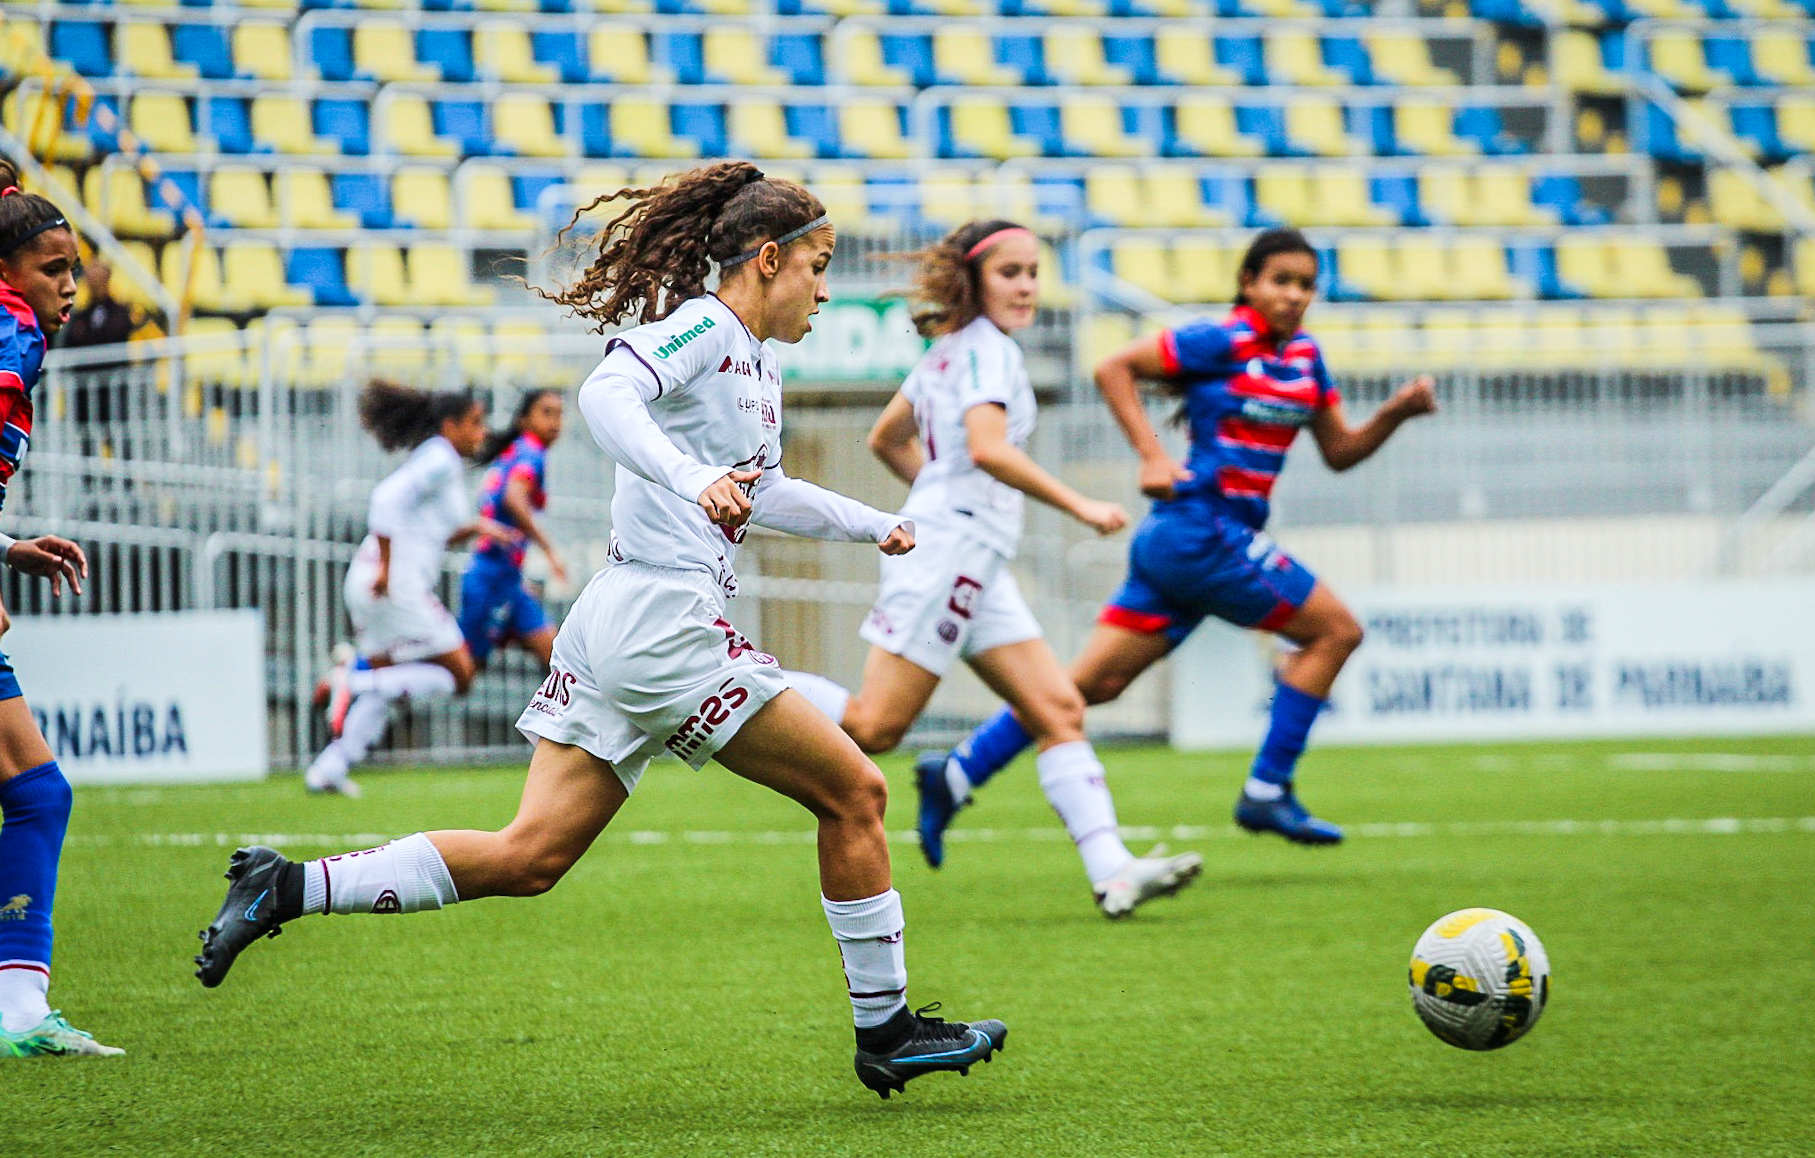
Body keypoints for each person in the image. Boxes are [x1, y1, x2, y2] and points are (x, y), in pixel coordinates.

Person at [196, 162, 1008, 1099]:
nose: (826, 289)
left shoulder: (756, 360)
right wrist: (683, 476)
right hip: (662, 625)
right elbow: (605, 395)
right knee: (855, 792)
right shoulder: (705, 325)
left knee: (529, 854)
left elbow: (762, 488)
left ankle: (281, 887)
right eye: (819, 266)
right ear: (770, 258)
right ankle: (888, 1030)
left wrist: (874, 525)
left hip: (620, 619)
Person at [917, 228, 1438, 856]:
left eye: (1306, 285)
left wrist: (1396, 413)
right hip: (1202, 531)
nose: (1294, 296)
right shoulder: (1219, 339)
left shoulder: (1306, 360)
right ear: (1249, 284)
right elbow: (1115, 366)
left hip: (1198, 543)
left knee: (1084, 688)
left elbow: (1340, 452)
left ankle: (957, 771)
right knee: (1336, 631)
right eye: (1281, 281)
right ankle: (1268, 789)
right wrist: (1152, 455)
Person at [780, 220, 1202, 917]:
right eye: (1010, 272)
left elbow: (887, 438)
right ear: (974, 280)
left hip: (968, 553)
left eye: (1034, 271)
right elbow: (986, 449)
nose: (1028, 285)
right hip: (953, 553)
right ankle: (726, 681)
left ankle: (1113, 870)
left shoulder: (950, 351)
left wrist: (934, 498)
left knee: (1058, 709)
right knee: (874, 726)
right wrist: (1078, 505)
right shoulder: (987, 353)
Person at [0, 161, 125, 1057]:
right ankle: (17, 1015)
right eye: (53, 270)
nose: (70, 287)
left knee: (33, 792)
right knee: (38, 794)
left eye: (74, 269)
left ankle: (17, 1012)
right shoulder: (11, 341)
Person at [305, 382, 512, 797]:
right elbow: (384, 500)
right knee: (460, 674)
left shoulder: (437, 459)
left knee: (391, 685)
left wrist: (476, 527)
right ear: (449, 425)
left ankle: (328, 769)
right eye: (474, 423)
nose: (481, 432)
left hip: (374, 581)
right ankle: (353, 679)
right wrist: (386, 567)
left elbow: (431, 528)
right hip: (392, 586)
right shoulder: (439, 459)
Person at [459, 388, 567, 674]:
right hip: (489, 578)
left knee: (556, 657)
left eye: (559, 414)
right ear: (524, 419)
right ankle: (359, 672)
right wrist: (549, 550)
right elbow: (513, 498)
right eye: (546, 413)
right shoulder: (531, 453)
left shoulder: (520, 449)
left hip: (509, 580)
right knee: (462, 671)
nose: (555, 422)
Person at [57, 259, 135, 349]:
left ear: (107, 279)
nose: (95, 284)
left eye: (99, 279)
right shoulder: (81, 316)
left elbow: (117, 336)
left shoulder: (120, 312)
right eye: (91, 279)